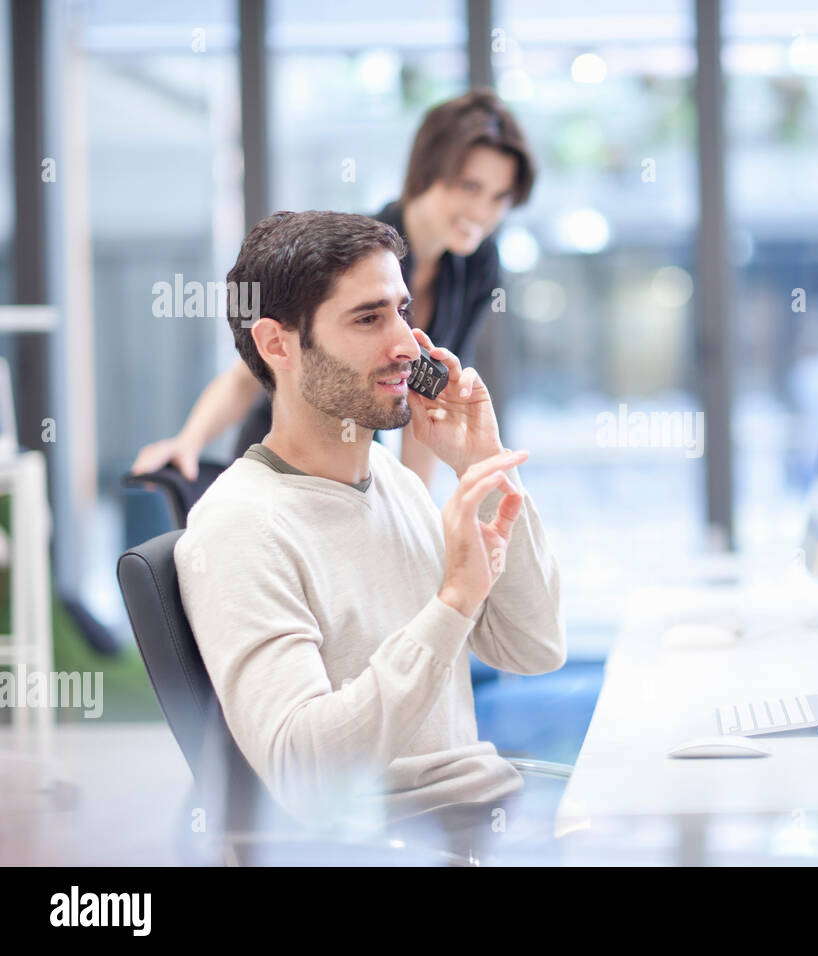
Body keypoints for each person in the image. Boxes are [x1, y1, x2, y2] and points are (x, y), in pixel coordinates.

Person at [174, 209, 564, 838]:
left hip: (477, 817)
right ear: (278, 345)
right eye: (368, 318)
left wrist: (483, 467)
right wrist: (454, 600)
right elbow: (306, 771)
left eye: (402, 311)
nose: (408, 343)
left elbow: (535, 648)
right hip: (400, 841)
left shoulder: (395, 484)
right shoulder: (240, 526)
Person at [132, 89, 535, 491]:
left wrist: (418, 514)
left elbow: (425, 399)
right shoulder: (362, 254)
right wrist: (190, 440)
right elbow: (254, 367)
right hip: (291, 448)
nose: (483, 212)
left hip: (358, 455)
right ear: (429, 171)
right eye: (469, 187)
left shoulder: (478, 265)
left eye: (499, 197)